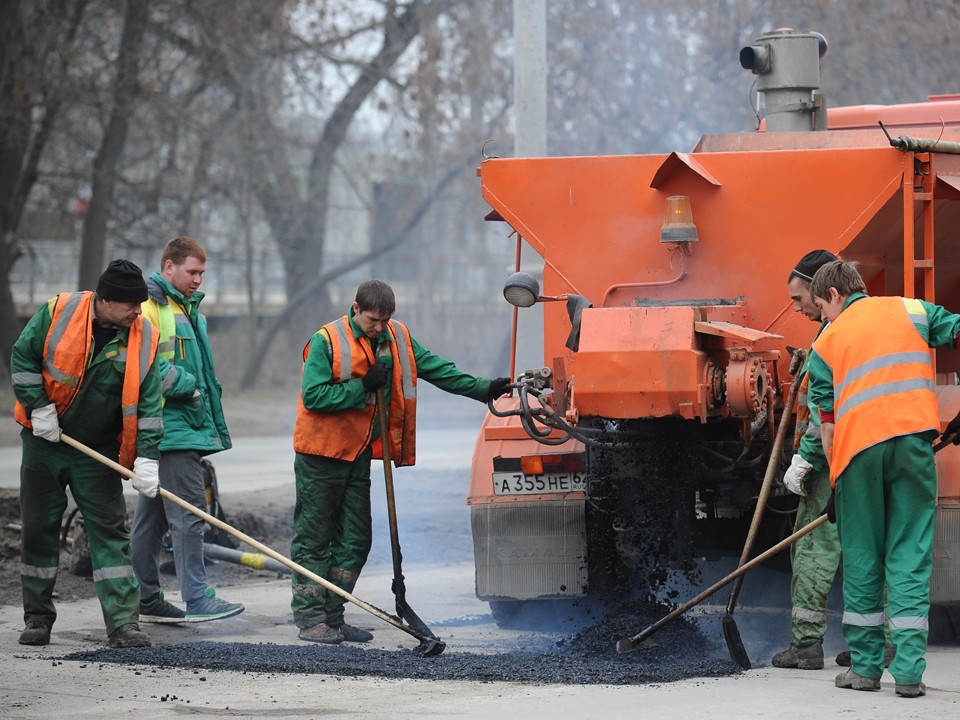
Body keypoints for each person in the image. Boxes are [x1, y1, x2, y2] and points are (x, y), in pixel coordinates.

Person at [290, 279, 511, 644]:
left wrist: (484, 388)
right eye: (373, 320)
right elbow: (313, 397)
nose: (380, 327)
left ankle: (334, 614)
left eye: (386, 320)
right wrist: (362, 386)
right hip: (320, 455)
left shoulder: (397, 338)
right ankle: (310, 620)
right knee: (315, 539)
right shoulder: (326, 341)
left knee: (357, 539)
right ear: (356, 308)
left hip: (358, 453)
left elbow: (438, 369)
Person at [807, 259, 959, 698]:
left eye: (821, 308)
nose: (822, 318)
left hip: (858, 453)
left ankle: (866, 670)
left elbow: (828, 423)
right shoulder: (913, 311)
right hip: (914, 446)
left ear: (834, 295)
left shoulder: (827, 340)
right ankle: (910, 674)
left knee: (862, 558)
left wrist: (836, 482)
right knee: (909, 556)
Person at [12, 259, 162, 648]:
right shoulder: (58, 311)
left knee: (111, 532)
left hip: (97, 452)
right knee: (39, 528)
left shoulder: (143, 335)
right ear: (107, 300)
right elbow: (22, 359)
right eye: (132, 305)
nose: (138, 312)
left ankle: (123, 624)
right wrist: (37, 407)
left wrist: (147, 458)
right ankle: (38, 619)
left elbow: (149, 403)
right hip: (45, 441)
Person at [131, 237, 243, 623]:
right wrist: (189, 387)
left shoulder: (184, 307)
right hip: (171, 427)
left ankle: (145, 598)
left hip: (174, 427)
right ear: (168, 267)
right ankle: (198, 597)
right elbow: (143, 368)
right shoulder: (149, 306)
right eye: (191, 271)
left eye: (201, 273)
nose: (198, 279)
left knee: (152, 519)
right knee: (190, 515)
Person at [771, 249, 842, 670]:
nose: (796, 309)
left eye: (799, 300)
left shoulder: (831, 338)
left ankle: (806, 645)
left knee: (814, 547)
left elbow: (824, 416)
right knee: (868, 548)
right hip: (867, 455)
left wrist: (805, 460)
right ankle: (879, 643)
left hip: (830, 461)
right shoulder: (855, 329)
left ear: (822, 291)